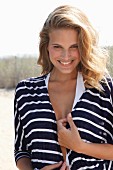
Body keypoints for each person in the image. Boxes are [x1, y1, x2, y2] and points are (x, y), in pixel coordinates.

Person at [14, 4, 113, 170]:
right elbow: (21, 150)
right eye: (57, 47)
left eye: (74, 47)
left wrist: (79, 146)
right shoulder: (25, 92)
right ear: (46, 46)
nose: (66, 56)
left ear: (84, 46)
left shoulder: (104, 89)